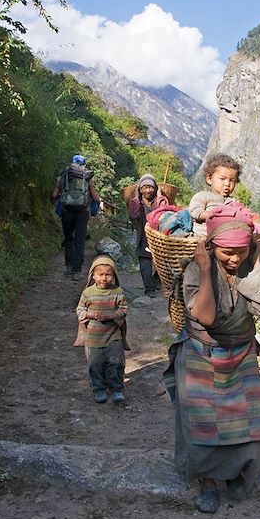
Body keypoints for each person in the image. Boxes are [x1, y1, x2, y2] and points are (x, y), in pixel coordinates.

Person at [163, 204, 260, 514]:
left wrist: (254, 265)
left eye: (241, 251)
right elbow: (206, 315)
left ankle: (238, 475)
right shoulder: (195, 269)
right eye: (227, 251)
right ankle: (208, 483)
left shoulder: (249, 267)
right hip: (201, 354)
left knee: (246, 423)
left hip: (241, 354)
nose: (234, 258)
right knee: (202, 423)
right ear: (210, 246)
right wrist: (203, 269)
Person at [76, 255, 128, 404]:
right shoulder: (88, 293)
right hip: (93, 337)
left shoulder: (118, 291)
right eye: (100, 274)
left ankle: (117, 389)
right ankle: (99, 389)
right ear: (93, 275)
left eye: (108, 274)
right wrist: (90, 314)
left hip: (113, 335)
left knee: (116, 362)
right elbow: (79, 309)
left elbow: (124, 309)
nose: (104, 278)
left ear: (114, 275)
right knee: (95, 364)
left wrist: (110, 316)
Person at [51, 155, 100, 281]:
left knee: (68, 239)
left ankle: (68, 266)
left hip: (67, 211)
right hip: (82, 212)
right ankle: (77, 271)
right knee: (79, 241)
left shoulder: (64, 175)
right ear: (83, 164)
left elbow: (55, 194)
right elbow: (95, 198)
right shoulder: (86, 176)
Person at [128, 173, 168, 297]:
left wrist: (160, 195)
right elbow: (133, 215)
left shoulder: (160, 201)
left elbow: (165, 211)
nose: (148, 190)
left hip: (158, 236)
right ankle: (149, 288)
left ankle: (156, 281)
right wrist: (135, 197)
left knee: (163, 261)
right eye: (144, 187)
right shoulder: (136, 203)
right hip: (143, 236)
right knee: (145, 262)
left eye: (150, 187)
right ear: (140, 190)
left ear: (155, 188)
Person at [188, 153, 241, 236]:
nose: (227, 184)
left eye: (232, 181)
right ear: (209, 179)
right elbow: (194, 211)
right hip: (203, 236)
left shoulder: (233, 201)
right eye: (222, 179)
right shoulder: (203, 196)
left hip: (225, 237)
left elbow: (240, 214)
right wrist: (212, 215)